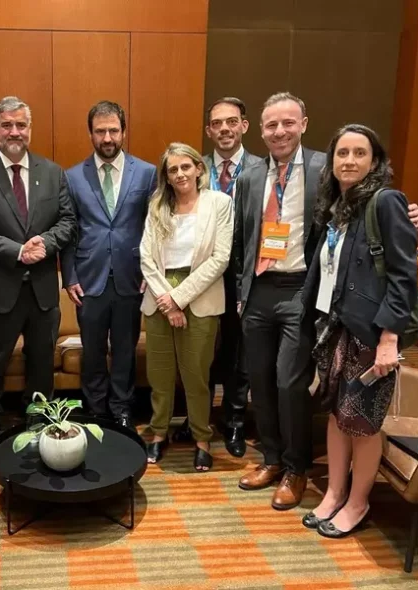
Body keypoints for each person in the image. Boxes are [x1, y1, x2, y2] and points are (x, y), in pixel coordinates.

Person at [233, 92, 418, 511]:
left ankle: (297, 467)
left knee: (289, 383)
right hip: (259, 289)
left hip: (302, 291)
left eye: (287, 123)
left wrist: (408, 217)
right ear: (260, 130)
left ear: (303, 124)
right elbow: (241, 242)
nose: (279, 131)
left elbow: (367, 208)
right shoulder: (248, 177)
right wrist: (242, 292)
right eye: (271, 125)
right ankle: (270, 459)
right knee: (259, 382)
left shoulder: (327, 166)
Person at [300, 124, 418, 538]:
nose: (349, 161)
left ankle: (357, 502)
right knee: (337, 415)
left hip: (371, 335)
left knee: (363, 424)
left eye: (359, 153)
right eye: (342, 153)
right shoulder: (338, 206)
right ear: (331, 162)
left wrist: (389, 338)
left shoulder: (386, 202)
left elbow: (405, 276)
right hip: (337, 328)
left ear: (375, 160)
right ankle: (334, 494)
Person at [0, 96, 76, 459]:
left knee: (42, 361)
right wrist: (16, 250)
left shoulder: (52, 172)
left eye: (20, 125)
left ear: (30, 128)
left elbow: (67, 222)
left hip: (41, 290)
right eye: (7, 125)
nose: (14, 132)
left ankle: (38, 422)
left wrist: (45, 242)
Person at [175, 96, 262, 456]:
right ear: (208, 130)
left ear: (244, 125)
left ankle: (234, 423)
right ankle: (197, 420)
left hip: (245, 277)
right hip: (203, 277)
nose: (224, 128)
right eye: (216, 123)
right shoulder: (195, 168)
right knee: (199, 353)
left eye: (231, 121)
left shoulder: (262, 169)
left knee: (237, 354)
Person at [61, 101, 156, 429]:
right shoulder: (72, 177)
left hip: (132, 277)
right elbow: (68, 231)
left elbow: (154, 226)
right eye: (100, 131)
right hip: (89, 280)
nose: (107, 137)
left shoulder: (146, 173)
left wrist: (150, 270)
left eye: (113, 130)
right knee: (93, 352)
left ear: (124, 132)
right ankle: (95, 409)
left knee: (126, 350)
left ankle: (122, 409)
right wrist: (69, 275)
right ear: (90, 134)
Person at [140, 143, 233, 472]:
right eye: (172, 170)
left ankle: (202, 439)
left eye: (185, 167)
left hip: (201, 297)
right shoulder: (157, 206)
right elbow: (146, 259)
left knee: (196, 376)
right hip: (159, 298)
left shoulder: (219, 203)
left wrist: (180, 299)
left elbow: (220, 258)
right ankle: (157, 433)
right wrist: (168, 301)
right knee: (160, 376)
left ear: (198, 168)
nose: (179, 174)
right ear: (166, 176)